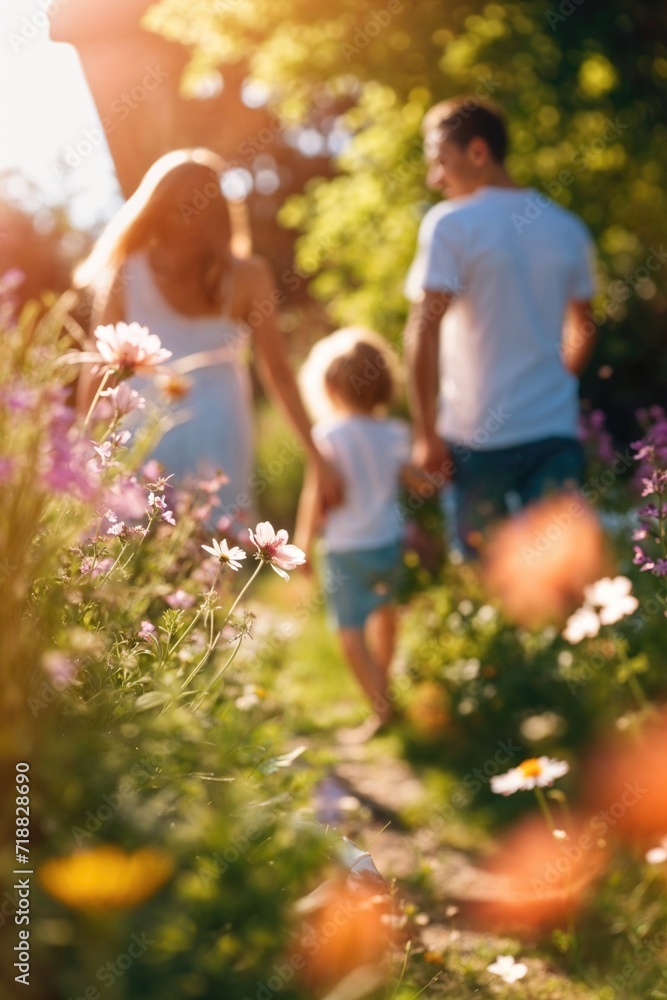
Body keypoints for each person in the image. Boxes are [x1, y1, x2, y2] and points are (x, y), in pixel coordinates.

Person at [75, 148, 341, 521]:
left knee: (209, 547)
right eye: (179, 208)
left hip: (221, 433)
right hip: (141, 430)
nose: (189, 221)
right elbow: (98, 366)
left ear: (218, 214)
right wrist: (80, 450)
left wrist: (317, 458)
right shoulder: (127, 273)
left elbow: (277, 370)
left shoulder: (250, 276)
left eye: (201, 208)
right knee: (131, 548)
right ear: (157, 210)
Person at [404, 98, 598, 556]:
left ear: (477, 152)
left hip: (477, 442)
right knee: (558, 587)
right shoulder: (566, 227)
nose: (435, 178)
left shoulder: (451, 225)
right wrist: (552, 385)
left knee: (488, 590)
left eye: (440, 161)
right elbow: (584, 328)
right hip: (554, 432)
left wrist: (426, 433)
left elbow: (422, 331)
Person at [295, 327, 425, 728]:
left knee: (350, 631)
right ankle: (383, 687)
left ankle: (381, 707)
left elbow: (314, 495)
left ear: (329, 386)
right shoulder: (396, 433)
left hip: (345, 548)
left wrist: (302, 543)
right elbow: (416, 481)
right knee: (386, 615)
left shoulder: (327, 435)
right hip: (387, 542)